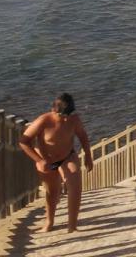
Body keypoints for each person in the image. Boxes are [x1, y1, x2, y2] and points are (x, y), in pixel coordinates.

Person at [19, 93, 93, 233]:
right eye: (62, 116)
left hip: (67, 157)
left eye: (68, 115)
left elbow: (83, 136)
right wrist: (39, 160)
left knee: (75, 187)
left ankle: (72, 226)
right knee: (52, 192)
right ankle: (49, 222)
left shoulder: (74, 119)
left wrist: (88, 156)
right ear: (54, 110)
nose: (65, 119)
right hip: (48, 160)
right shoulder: (43, 120)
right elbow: (24, 141)